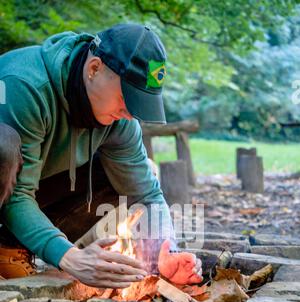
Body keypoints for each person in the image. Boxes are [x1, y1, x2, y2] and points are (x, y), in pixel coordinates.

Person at [0, 23, 201, 287]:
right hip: (6, 173)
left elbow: (146, 195)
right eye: (126, 97)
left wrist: (165, 251)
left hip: (17, 192)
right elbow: (18, 195)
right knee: (3, 146)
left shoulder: (120, 122)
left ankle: (8, 249)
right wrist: (70, 258)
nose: (130, 113)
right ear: (94, 68)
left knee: (137, 172)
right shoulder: (24, 85)